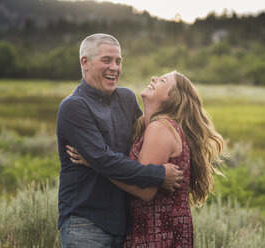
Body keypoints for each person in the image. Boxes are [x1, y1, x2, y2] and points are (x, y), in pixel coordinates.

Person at [68, 70, 225, 247]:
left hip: (157, 233)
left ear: (172, 97)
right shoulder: (149, 126)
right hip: (156, 230)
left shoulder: (160, 127)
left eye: (163, 80)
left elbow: (145, 190)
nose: (153, 78)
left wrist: (95, 163)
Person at [56, 33, 183, 248]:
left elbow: (140, 146)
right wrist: (159, 174)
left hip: (125, 225)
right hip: (85, 223)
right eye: (106, 60)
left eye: (118, 61)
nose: (114, 67)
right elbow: (104, 160)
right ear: (84, 63)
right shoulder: (73, 107)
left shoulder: (126, 98)